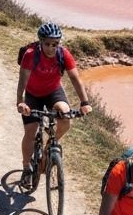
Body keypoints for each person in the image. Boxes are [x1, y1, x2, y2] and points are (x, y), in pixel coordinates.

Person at [16, 22, 93, 188]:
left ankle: (51, 144)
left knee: (65, 115)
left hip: (53, 92)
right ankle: (26, 168)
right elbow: (22, 80)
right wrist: (20, 102)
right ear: (40, 42)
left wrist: (85, 102)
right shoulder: (30, 55)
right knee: (31, 132)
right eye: (47, 44)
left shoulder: (63, 54)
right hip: (32, 94)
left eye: (55, 44)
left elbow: (75, 79)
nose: (51, 48)